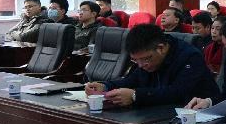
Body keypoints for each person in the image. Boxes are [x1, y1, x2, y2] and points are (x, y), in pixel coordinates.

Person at [85, 24, 218, 107]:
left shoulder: (190, 56)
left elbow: (177, 92)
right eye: (135, 60)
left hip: (193, 115)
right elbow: (132, 80)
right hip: (156, 112)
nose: (141, 65)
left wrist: (135, 96)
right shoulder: (145, 60)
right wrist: (105, 86)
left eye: (145, 59)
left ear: (161, 48)